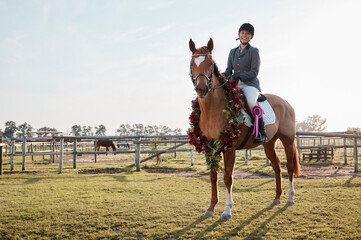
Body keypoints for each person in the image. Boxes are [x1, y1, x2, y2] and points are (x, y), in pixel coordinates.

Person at [222, 23, 267, 143]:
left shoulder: (253, 51)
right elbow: (228, 70)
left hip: (250, 85)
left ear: (251, 37)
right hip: (235, 85)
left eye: (247, 34)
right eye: (242, 33)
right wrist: (220, 76)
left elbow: (254, 72)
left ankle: (262, 133)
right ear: (238, 34)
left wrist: (240, 75)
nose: (244, 35)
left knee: (251, 101)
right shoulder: (232, 52)